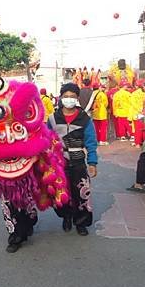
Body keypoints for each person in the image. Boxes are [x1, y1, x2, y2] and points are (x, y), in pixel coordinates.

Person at [48, 83, 98, 236]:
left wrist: (92, 163)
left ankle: (81, 223)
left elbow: (91, 142)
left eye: (72, 96)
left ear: (77, 98)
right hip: (58, 162)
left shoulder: (85, 119)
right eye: (66, 96)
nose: (69, 99)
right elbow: (46, 140)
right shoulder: (52, 118)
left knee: (81, 193)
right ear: (61, 97)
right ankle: (66, 216)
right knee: (60, 193)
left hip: (78, 162)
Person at [130, 80, 145, 148]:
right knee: (144, 128)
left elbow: (133, 103)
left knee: (138, 129)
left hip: (137, 113)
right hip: (143, 113)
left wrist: (140, 110)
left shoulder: (134, 93)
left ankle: (138, 143)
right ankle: (144, 142)